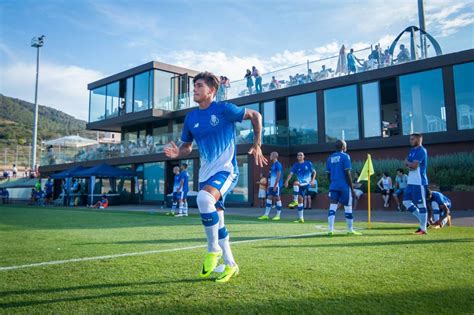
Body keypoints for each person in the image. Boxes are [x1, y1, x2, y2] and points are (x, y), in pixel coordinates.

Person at [164, 71, 266, 283]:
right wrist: (177, 153)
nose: (195, 90)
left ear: (211, 90)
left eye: (199, 86)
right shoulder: (191, 118)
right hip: (205, 174)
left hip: (227, 171)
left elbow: (256, 116)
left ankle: (213, 250)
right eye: (194, 86)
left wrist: (257, 144)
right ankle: (231, 265)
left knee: (203, 199)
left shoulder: (224, 109)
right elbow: (187, 147)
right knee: (218, 220)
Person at [326, 140, 362, 236]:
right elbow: (347, 173)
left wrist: (332, 183)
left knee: (332, 207)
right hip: (344, 187)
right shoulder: (345, 156)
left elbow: (328, 175)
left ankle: (330, 230)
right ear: (343, 147)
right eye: (346, 146)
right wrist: (352, 188)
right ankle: (350, 230)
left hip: (334, 186)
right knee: (348, 208)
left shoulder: (330, 158)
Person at [403, 133, 429, 235]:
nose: (410, 141)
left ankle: (423, 229)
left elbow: (413, 166)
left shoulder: (422, 150)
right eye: (410, 139)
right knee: (406, 202)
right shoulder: (412, 150)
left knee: (421, 205)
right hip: (411, 181)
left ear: (419, 140)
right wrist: (410, 164)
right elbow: (405, 162)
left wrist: (409, 164)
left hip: (419, 182)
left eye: (412, 139)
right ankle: (424, 222)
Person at [284, 152, 316, 223]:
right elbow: (291, 174)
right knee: (300, 199)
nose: (299, 156)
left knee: (295, 183)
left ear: (303, 156)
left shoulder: (308, 163)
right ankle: (301, 218)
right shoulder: (295, 165)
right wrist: (286, 181)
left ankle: (295, 201)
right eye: (298, 155)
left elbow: (314, 172)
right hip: (300, 184)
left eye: (301, 155)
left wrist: (313, 180)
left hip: (306, 183)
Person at [258, 152, 283, 221]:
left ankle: (278, 215)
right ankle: (266, 215)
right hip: (272, 185)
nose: (270, 156)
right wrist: (269, 185)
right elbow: (271, 176)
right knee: (269, 198)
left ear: (275, 156)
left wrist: (275, 185)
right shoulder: (273, 165)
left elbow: (278, 175)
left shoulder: (278, 164)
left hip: (277, 185)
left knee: (278, 199)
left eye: (271, 155)